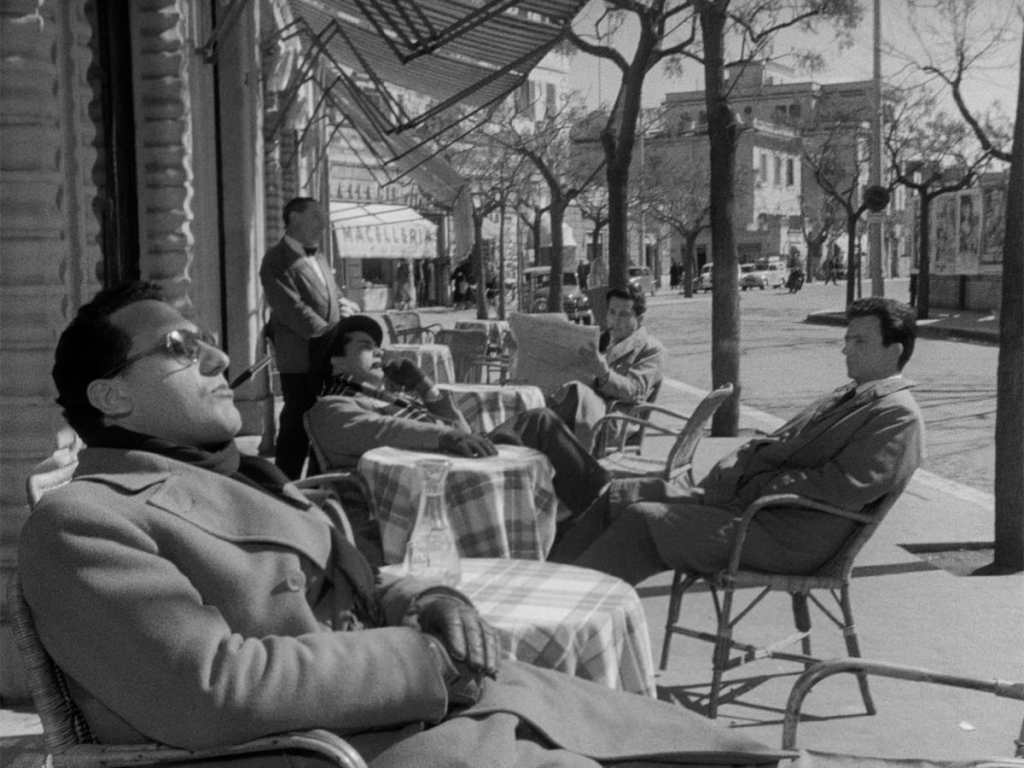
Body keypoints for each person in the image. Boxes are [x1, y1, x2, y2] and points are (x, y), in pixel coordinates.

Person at [20, 281, 785, 767]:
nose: (219, 359)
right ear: (112, 398)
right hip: (330, 747)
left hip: (409, 714)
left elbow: (348, 582)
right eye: (182, 349)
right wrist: (418, 661)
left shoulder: (237, 472)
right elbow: (212, 687)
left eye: (210, 342)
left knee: (696, 745)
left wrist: (425, 600)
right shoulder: (84, 522)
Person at [549, 298, 924, 586]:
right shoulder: (856, 395)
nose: (846, 349)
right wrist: (742, 464)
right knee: (616, 496)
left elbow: (843, 487)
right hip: (752, 507)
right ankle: (546, 582)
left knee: (642, 521)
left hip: (785, 533)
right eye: (846, 339)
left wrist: (753, 482)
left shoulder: (896, 414)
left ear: (894, 350)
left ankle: (564, 612)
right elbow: (787, 444)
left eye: (859, 341)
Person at [307, 315, 610, 533]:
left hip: (453, 465)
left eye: (378, 346)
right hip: (422, 489)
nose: (379, 352)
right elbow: (384, 431)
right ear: (336, 362)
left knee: (542, 420)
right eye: (365, 346)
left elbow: (460, 427)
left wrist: (425, 387)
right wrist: (447, 438)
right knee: (539, 421)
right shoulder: (332, 408)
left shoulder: (385, 398)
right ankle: (600, 503)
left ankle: (586, 505)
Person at [259, 196, 339, 478]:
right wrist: (331, 335)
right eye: (316, 216)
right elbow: (292, 308)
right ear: (294, 217)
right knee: (297, 422)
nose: (323, 223)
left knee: (326, 423)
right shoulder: (275, 260)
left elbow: (329, 299)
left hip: (328, 357)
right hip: (301, 359)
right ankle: (284, 484)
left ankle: (319, 481)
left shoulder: (318, 256)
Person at [549, 288, 664, 450]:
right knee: (535, 416)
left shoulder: (651, 349)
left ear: (640, 318)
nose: (615, 320)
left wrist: (604, 373)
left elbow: (635, 390)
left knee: (542, 424)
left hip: (611, 421)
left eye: (624, 314)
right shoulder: (598, 339)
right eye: (612, 312)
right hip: (579, 411)